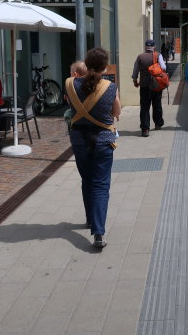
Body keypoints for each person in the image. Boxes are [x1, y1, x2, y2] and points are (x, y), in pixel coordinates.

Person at [66, 48, 121, 249]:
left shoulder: (70, 84)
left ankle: (90, 218)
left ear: (86, 65)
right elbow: (117, 111)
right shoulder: (110, 87)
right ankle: (98, 232)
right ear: (105, 66)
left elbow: (70, 104)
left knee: (87, 180)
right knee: (100, 185)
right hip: (103, 141)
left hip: (79, 140)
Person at [132, 39, 165, 137]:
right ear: (154, 47)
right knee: (157, 104)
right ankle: (158, 124)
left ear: (145, 47)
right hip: (156, 84)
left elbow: (135, 70)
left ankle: (145, 129)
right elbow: (163, 67)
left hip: (144, 85)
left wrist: (135, 80)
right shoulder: (158, 55)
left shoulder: (140, 57)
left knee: (145, 107)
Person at [64, 60, 87, 127]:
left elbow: (69, 102)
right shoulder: (92, 83)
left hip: (77, 118)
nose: (70, 76)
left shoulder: (69, 85)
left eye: (70, 74)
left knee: (67, 113)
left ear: (75, 74)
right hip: (92, 116)